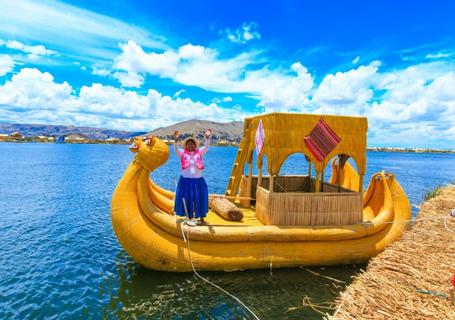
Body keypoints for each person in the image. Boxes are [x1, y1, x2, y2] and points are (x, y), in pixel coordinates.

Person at [173, 129, 211, 225]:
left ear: (195, 146)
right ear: (186, 146)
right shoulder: (182, 153)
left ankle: (202, 218)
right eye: (188, 144)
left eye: (192, 144)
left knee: (200, 198)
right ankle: (189, 217)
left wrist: (207, 138)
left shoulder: (199, 152)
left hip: (198, 181)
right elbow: (176, 149)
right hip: (185, 181)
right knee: (187, 198)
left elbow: (206, 147)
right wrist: (176, 140)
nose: (190, 145)